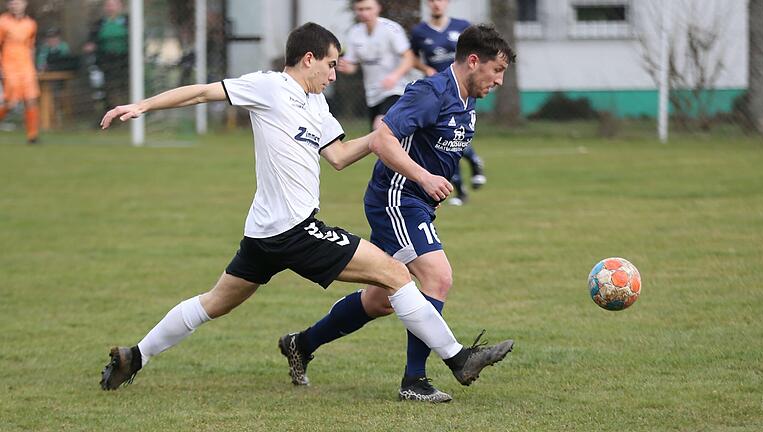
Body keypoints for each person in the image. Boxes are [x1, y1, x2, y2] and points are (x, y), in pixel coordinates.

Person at [98, 22, 514, 393]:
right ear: (308, 59)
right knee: (397, 275)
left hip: (264, 233)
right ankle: (457, 359)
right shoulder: (269, 86)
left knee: (215, 303)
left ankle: (136, 356)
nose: (333, 75)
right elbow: (204, 91)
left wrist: (382, 137)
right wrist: (143, 106)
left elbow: (337, 156)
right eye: (330, 65)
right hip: (293, 231)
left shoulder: (317, 104)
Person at [279, 24, 514, 403]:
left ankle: (301, 344)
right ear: (474, 61)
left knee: (381, 299)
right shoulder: (431, 92)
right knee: (437, 277)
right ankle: (415, 381)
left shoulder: (467, 98)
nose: (500, 81)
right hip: (396, 199)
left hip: (417, 202)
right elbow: (383, 136)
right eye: (497, 70)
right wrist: (424, 176)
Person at [411, 0, 486, 206]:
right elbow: (411, 57)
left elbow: (477, 55)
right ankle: (462, 187)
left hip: (462, 92)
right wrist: (424, 68)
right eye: (432, 0)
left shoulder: (462, 27)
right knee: (442, 141)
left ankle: (472, 165)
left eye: (441, 0)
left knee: (454, 138)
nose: (437, 4)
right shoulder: (419, 32)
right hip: (437, 94)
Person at [336, 0, 414, 130]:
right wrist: (345, 67)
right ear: (356, 10)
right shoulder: (354, 33)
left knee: (380, 125)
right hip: (372, 93)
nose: (365, 13)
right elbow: (353, 66)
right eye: (361, 9)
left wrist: (395, 76)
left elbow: (409, 58)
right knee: (377, 138)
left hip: (396, 90)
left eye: (368, 8)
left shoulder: (391, 29)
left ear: (378, 8)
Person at [0, 0, 39, 143]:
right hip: (9, 66)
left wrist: (34, 66)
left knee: (31, 99)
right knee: (11, 103)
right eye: (12, 3)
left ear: (24, 4)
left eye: (18, 3)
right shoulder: (2, 22)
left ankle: (32, 136)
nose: (15, 6)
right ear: (8, 5)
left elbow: (31, 47)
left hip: (26, 67)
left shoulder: (30, 24)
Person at [83, 0, 128, 109]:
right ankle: (110, 111)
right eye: (108, 5)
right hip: (106, 61)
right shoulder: (99, 23)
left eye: (114, 5)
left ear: (120, 6)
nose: (111, 8)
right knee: (108, 87)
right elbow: (91, 41)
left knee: (124, 86)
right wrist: (90, 46)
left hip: (125, 61)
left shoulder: (127, 21)